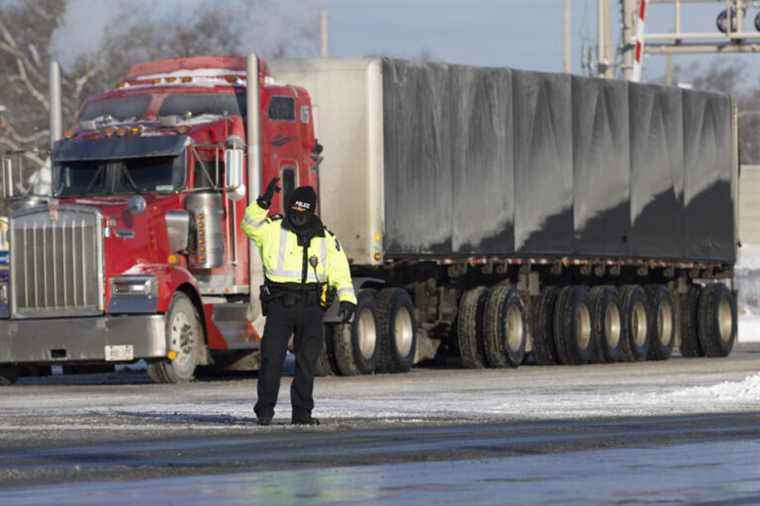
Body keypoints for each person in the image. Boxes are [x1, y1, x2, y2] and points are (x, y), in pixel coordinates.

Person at [242, 177, 357, 426]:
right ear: (289, 207)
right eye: (294, 209)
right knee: (272, 358)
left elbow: (340, 270)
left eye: (303, 210)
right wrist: (262, 203)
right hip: (280, 305)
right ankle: (264, 411)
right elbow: (249, 225)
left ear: (311, 210)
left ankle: (302, 413)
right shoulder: (271, 229)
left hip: (312, 306)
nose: (297, 215)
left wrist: (348, 298)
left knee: (307, 361)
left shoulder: (326, 238)